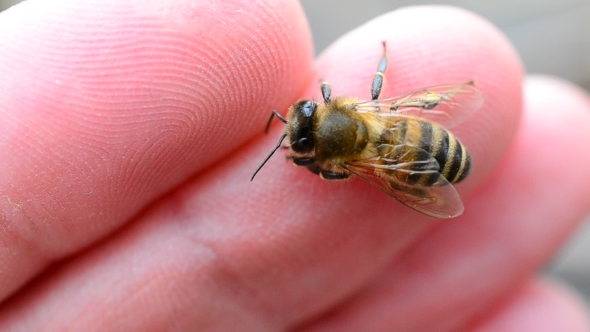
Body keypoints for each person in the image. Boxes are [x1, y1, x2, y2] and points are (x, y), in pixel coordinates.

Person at [0, 0, 588, 330]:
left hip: (417, 150)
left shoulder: (350, 159)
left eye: (301, 124)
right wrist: (383, 64)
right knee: (406, 113)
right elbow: (382, 118)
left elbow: (336, 170)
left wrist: (312, 161)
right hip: (414, 132)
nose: (298, 119)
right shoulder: (355, 114)